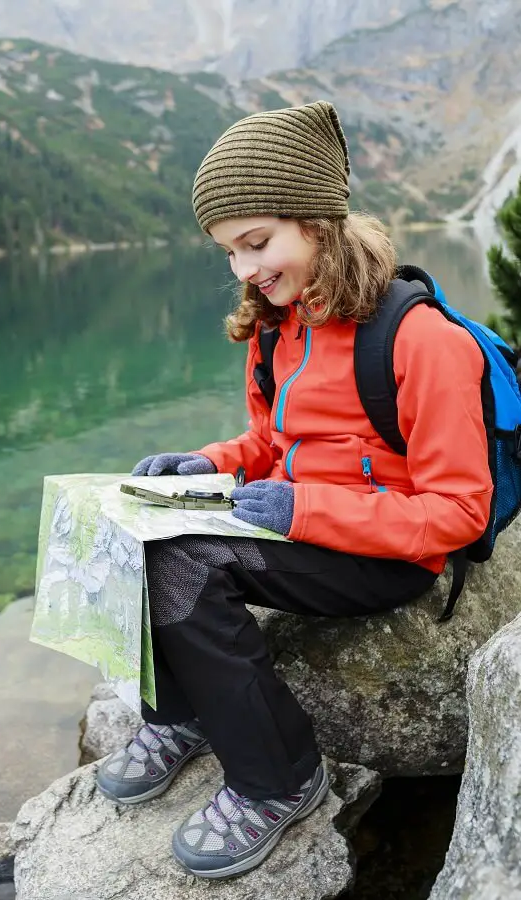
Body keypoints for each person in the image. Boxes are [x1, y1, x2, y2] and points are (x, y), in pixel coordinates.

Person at [96, 101, 493, 879]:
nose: (245, 271)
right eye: (228, 252)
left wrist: (303, 506)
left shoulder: (423, 342)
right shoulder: (281, 325)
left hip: (388, 552)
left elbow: (456, 512)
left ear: (317, 220)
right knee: (140, 533)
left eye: (256, 243)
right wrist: (212, 461)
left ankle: (280, 780)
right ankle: (178, 716)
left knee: (189, 564)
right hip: (305, 522)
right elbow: (277, 442)